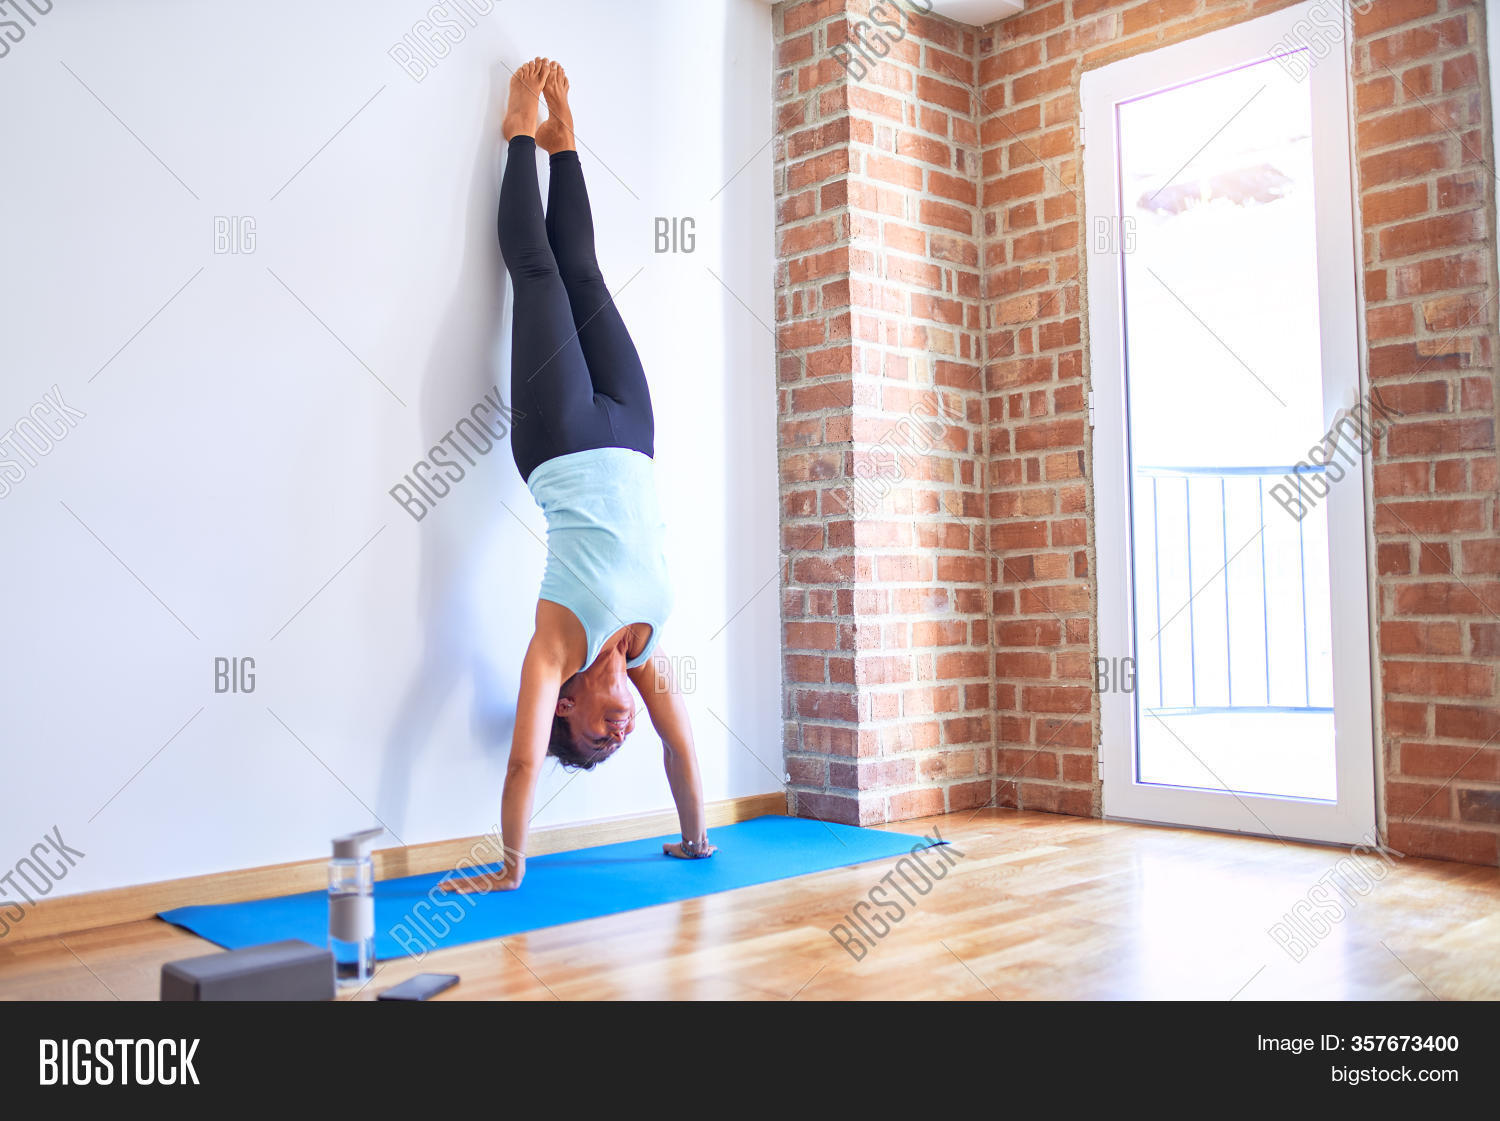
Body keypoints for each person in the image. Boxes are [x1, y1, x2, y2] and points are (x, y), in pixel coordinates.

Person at [447, 58, 715, 895]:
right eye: (618, 742)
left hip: (560, 439)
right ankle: (566, 148)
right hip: (633, 433)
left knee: (536, 270)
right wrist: (696, 840)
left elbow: (527, 761)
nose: (620, 730)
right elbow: (681, 744)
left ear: (566, 706)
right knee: (589, 271)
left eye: (597, 739)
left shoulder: (553, 649)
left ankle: (520, 135)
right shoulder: (644, 649)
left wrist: (511, 867)